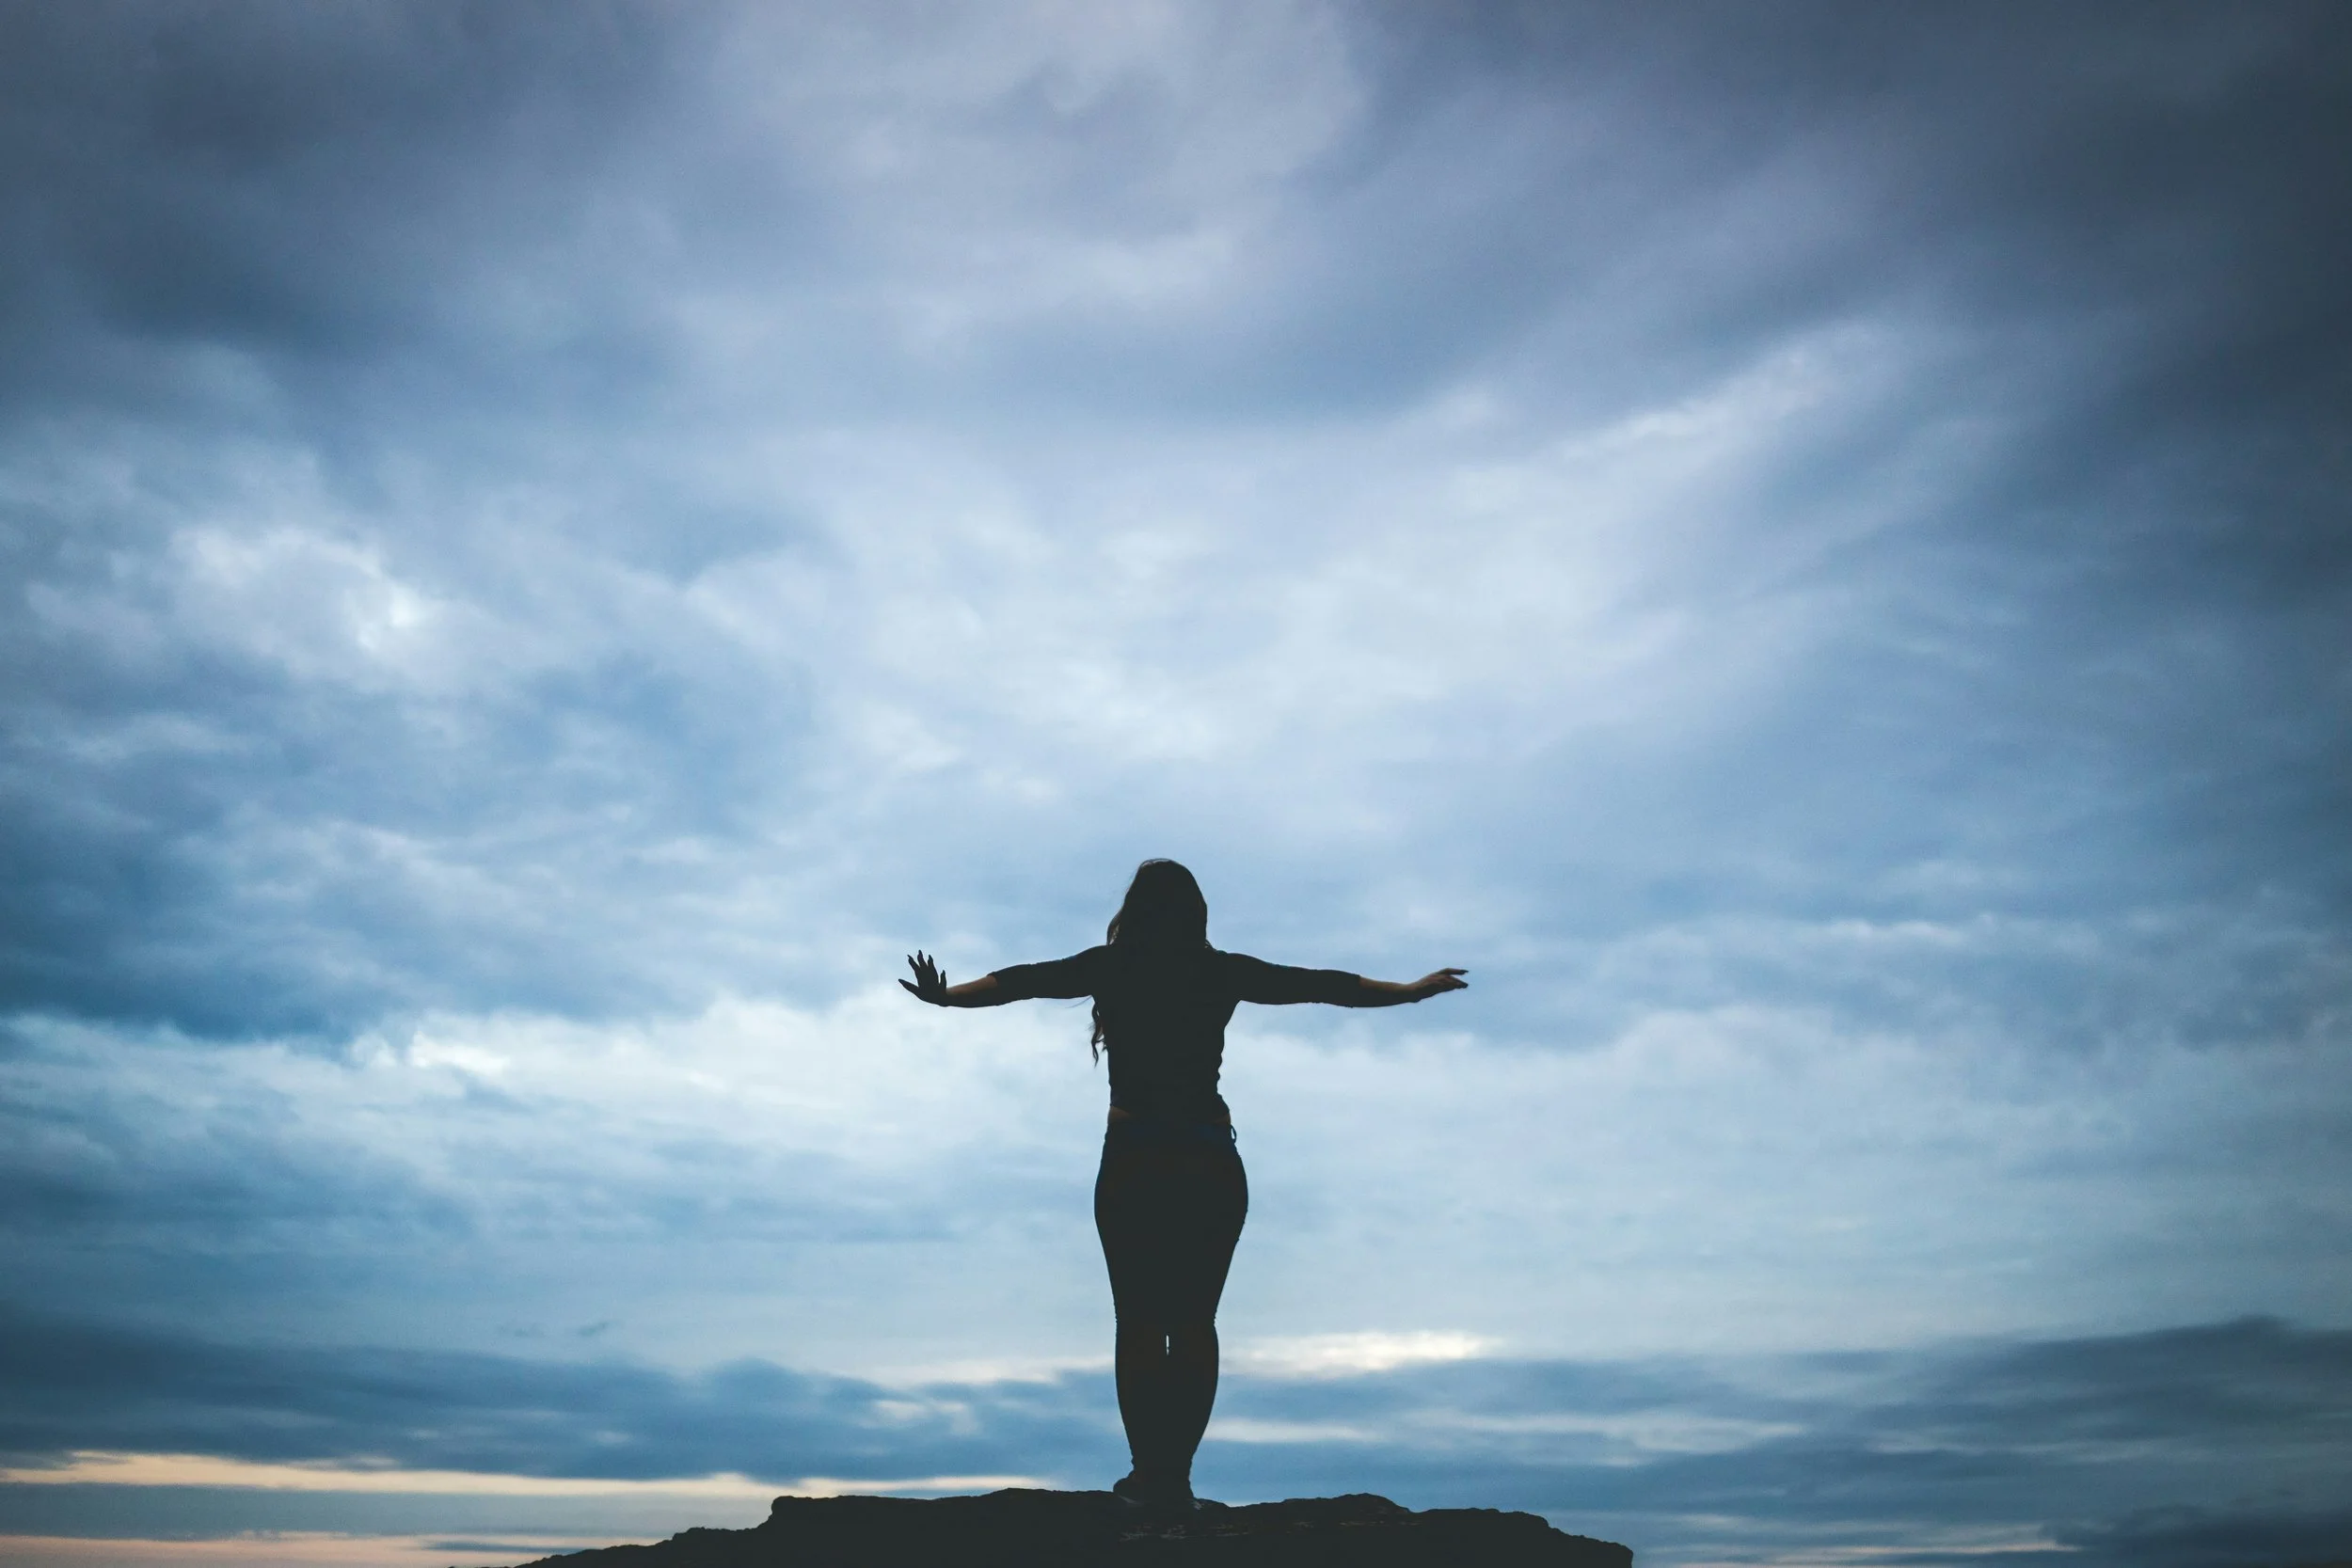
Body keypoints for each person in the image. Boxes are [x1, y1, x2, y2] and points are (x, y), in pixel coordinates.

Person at [900, 858, 1467, 1511]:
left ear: (1132, 911)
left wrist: (948, 996)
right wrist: (1409, 990)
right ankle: (1176, 1478)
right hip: (1206, 1162)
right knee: (1195, 1324)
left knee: (1139, 1323)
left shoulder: (1111, 966)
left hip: (1138, 1158)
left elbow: (1019, 982)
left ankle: (1152, 1477)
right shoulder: (1218, 970)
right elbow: (1321, 985)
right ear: (1197, 913)